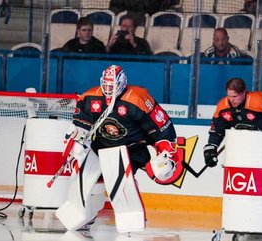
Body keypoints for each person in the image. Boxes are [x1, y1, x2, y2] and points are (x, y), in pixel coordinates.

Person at [55, 65, 180, 232]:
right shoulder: (90, 97)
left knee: (121, 182)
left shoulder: (138, 98)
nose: (108, 90)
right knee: (84, 181)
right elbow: (80, 123)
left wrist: (167, 153)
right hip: (102, 146)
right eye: (105, 86)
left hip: (132, 148)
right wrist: (75, 141)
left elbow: (162, 126)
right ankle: (85, 215)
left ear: (122, 83)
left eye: (112, 86)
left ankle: (132, 220)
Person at [203, 77, 262, 168]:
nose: (231, 100)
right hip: (248, 150)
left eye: (235, 96)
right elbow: (217, 130)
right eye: (229, 96)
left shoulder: (258, 100)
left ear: (243, 93)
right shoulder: (222, 106)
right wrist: (211, 148)